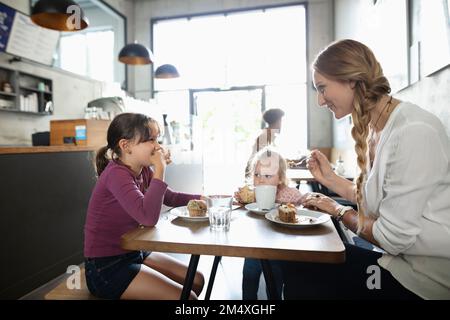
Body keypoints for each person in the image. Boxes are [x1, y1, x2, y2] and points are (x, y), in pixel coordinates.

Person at [281, 39, 450, 299]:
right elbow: (378, 200)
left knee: (303, 267)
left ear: (351, 79)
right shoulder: (376, 128)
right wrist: (331, 180)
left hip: (419, 280)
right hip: (392, 261)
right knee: (301, 256)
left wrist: (338, 210)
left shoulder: (413, 132)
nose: (319, 100)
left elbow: (392, 238)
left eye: (322, 88)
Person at [84, 113, 205, 300]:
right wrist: (160, 169)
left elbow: (171, 197)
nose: (158, 146)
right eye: (150, 140)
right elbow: (147, 218)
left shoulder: (143, 170)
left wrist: (207, 199)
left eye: (158, 139)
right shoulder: (116, 174)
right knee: (188, 298)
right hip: (106, 268)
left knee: (197, 279)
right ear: (126, 146)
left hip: (134, 252)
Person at [236, 148, 304, 299]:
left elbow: (302, 207)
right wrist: (241, 200)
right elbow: (241, 215)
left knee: (274, 281)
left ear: (280, 178)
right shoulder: (252, 193)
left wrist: (300, 204)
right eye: (257, 174)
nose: (260, 180)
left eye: (267, 175)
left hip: (278, 248)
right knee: (248, 278)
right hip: (254, 245)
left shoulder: (290, 194)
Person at [245, 108, 285, 178]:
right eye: (280, 121)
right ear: (276, 122)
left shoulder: (269, 135)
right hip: (255, 173)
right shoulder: (265, 137)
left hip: (258, 171)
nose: (281, 124)